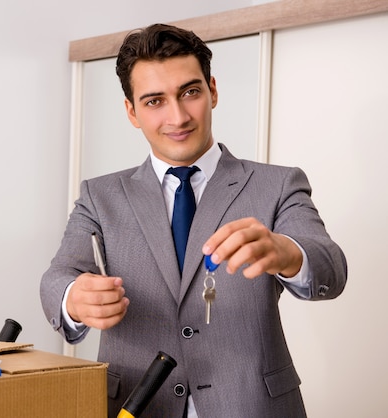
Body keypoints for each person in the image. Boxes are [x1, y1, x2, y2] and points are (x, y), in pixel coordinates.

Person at [40, 23, 347, 418]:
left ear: (212, 91)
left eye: (190, 93)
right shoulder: (101, 196)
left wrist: (286, 252)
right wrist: (73, 298)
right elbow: (58, 276)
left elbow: (330, 266)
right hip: (137, 404)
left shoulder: (278, 184)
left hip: (252, 406)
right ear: (132, 111)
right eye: (154, 101)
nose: (178, 116)